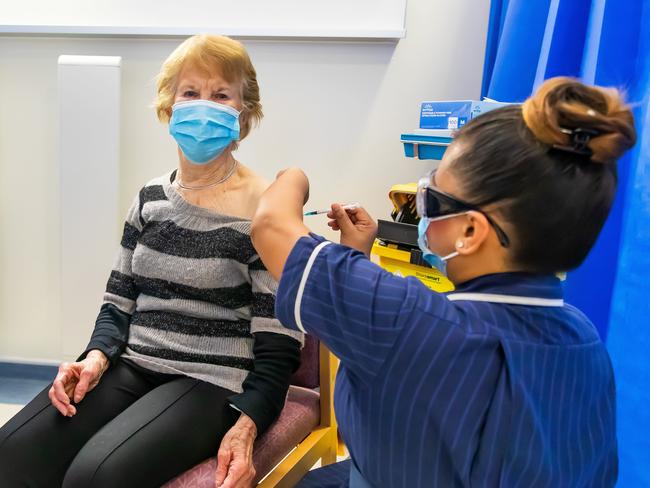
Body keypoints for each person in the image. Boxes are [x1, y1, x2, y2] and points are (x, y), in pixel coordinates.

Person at [250, 77, 636, 487]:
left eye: (432, 200)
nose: (420, 212)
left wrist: (293, 175)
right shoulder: (585, 338)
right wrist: (356, 255)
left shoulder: (409, 322)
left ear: (471, 232)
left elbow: (271, 224)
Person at [0, 34, 302, 488]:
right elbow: (117, 299)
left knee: (94, 477)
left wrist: (249, 423)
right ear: (169, 108)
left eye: (221, 95)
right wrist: (96, 358)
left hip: (212, 379)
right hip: (135, 363)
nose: (204, 105)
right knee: (12, 452)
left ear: (244, 115)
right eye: (190, 92)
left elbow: (280, 343)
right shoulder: (150, 197)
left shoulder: (265, 208)